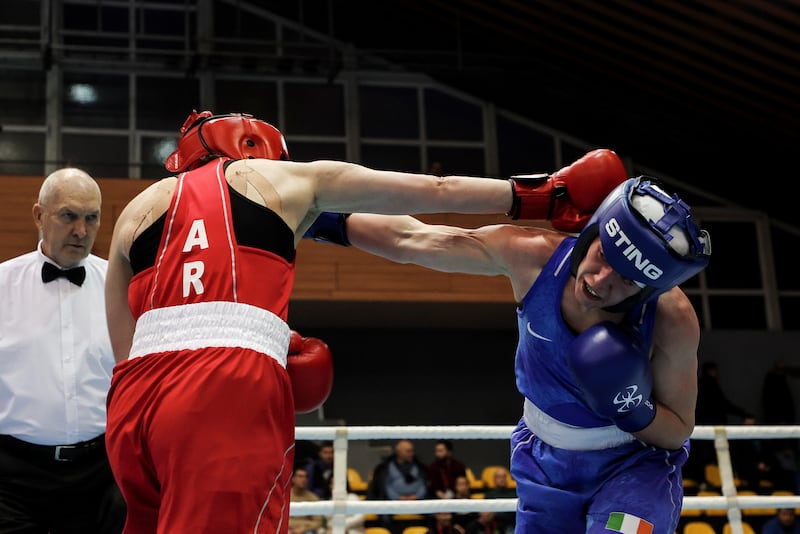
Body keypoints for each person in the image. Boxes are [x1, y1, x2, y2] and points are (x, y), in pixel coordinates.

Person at [104, 108, 597, 533]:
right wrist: (537, 197)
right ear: (260, 149)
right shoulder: (285, 182)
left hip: (133, 407)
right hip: (219, 389)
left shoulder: (134, 211)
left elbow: (123, 348)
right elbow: (433, 189)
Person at [303, 171, 711, 533]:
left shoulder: (671, 319)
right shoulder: (533, 257)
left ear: (649, 288)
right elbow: (412, 238)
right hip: (545, 465)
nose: (601, 281)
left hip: (634, 466)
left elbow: (677, 430)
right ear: (595, 232)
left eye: (625, 280)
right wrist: (313, 215)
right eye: (602, 256)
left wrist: (630, 406)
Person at [0, 168, 126, 533]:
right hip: (13, 475)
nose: (81, 231)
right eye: (68, 216)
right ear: (40, 215)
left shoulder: (123, 288)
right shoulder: (2, 286)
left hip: (102, 472)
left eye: (92, 218)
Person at [366, 439, 430, 532]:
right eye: (408, 451)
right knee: (384, 515)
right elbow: (386, 487)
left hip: (418, 501)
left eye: (412, 450)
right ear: (399, 452)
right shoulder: (385, 468)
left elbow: (423, 485)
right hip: (393, 502)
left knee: (434, 513)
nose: (411, 453)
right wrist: (398, 498)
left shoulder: (420, 467)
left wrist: (416, 497)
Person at [288, 466, 325, 534]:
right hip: (288, 529)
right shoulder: (285, 496)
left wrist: (304, 528)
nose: (304, 479)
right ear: (293, 479)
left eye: (306, 477)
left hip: (306, 530)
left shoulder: (313, 498)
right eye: (300, 476)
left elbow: (318, 521)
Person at [483, 467, 516, 531]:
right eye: (499, 477)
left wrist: (495, 512)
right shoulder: (489, 495)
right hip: (494, 525)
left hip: (511, 525)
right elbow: (486, 514)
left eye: (504, 477)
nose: (502, 479)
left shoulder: (514, 494)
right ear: (494, 479)